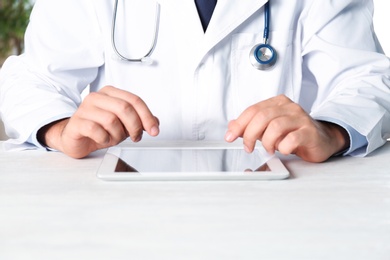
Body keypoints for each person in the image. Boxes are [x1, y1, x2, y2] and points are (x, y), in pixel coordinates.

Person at [0, 0, 389, 163]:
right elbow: (30, 79)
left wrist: (333, 130)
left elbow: (368, 76)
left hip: (278, 200)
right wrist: (60, 128)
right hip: (123, 202)